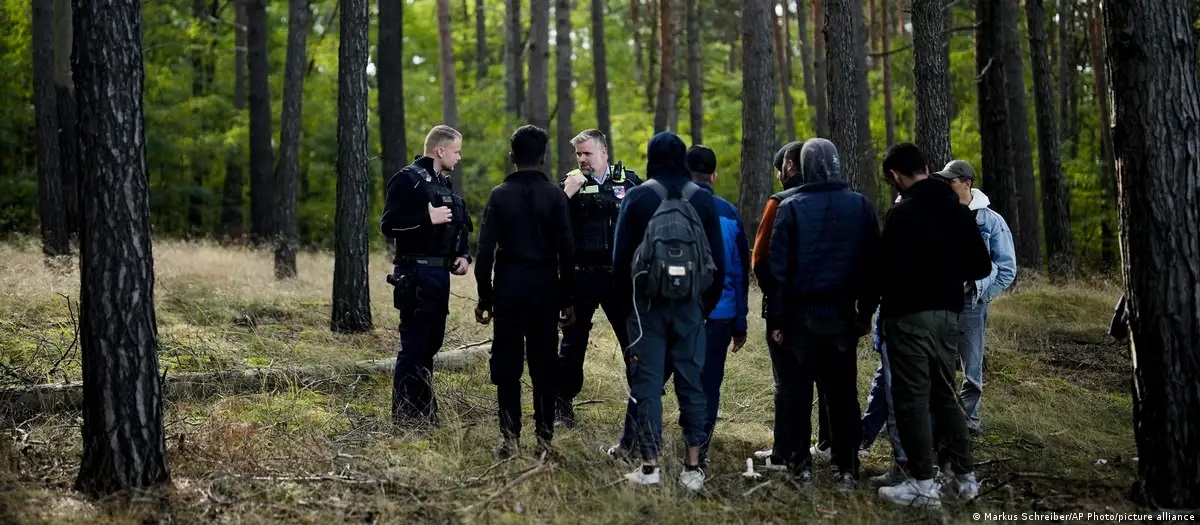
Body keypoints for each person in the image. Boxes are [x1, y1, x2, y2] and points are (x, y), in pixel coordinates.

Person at [875, 142, 991, 508]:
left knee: (911, 399)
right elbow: (982, 266)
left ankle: (922, 484)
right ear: (925, 167)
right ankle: (965, 477)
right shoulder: (957, 211)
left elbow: (885, 272)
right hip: (949, 316)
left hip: (909, 317)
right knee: (946, 396)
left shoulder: (903, 215)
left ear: (896, 176)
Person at [611, 132, 726, 491]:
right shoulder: (703, 199)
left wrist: (630, 309)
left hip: (647, 310)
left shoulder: (638, 197)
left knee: (646, 386)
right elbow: (716, 265)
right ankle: (693, 468)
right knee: (693, 385)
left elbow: (619, 264)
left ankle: (649, 468)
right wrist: (701, 309)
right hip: (690, 309)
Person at [765, 139, 880, 490]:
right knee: (843, 395)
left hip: (801, 318)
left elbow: (778, 271)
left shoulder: (793, 207)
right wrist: (866, 312)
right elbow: (872, 265)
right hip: (842, 317)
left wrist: (778, 320)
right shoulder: (859, 205)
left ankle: (800, 467)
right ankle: (847, 467)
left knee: (796, 394)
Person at [474, 125, 578, 460]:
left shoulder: (499, 195)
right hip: (545, 290)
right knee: (544, 364)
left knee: (507, 365)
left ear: (512, 157)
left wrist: (485, 298)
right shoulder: (555, 196)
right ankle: (545, 440)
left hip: (508, 290)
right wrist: (567, 299)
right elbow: (568, 253)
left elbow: (485, 253)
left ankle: (510, 439)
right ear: (544, 158)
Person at [381, 125, 473, 426]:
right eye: (456, 151)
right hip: (414, 272)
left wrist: (462, 256)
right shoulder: (408, 180)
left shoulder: (443, 183)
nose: (459, 157)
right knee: (414, 345)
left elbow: (456, 226)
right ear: (440, 150)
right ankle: (406, 416)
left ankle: (424, 412)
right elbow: (388, 224)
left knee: (431, 344)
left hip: (439, 274)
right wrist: (425, 219)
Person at [750, 141, 834, 468]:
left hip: (790, 310)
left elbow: (760, 260)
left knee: (788, 384)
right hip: (836, 310)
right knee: (831, 383)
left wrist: (776, 298)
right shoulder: (844, 199)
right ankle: (831, 445)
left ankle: (786, 451)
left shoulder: (781, 202)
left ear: (788, 166)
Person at [556, 129, 643, 428]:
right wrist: (566, 191)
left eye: (587, 154)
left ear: (604, 153)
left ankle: (642, 404)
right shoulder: (570, 185)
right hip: (582, 277)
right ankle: (562, 407)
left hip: (620, 278)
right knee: (572, 344)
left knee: (634, 341)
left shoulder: (630, 183)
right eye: (578, 154)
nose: (582, 160)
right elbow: (549, 220)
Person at [931, 160, 1017, 434]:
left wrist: (982, 295)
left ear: (966, 183)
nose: (947, 185)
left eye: (951, 181)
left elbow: (1006, 268)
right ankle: (943, 421)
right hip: (941, 301)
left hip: (970, 303)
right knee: (939, 363)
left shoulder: (990, 221)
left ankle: (970, 422)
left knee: (971, 368)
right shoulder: (939, 215)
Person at [685, 145, 750, 469]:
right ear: (714, 175)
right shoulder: (728, 213)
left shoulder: (672, 207)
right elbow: (739, 272)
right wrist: (740, 323)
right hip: (720, 316)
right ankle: (699, 450)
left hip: (679, 312)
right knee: (709, 384)